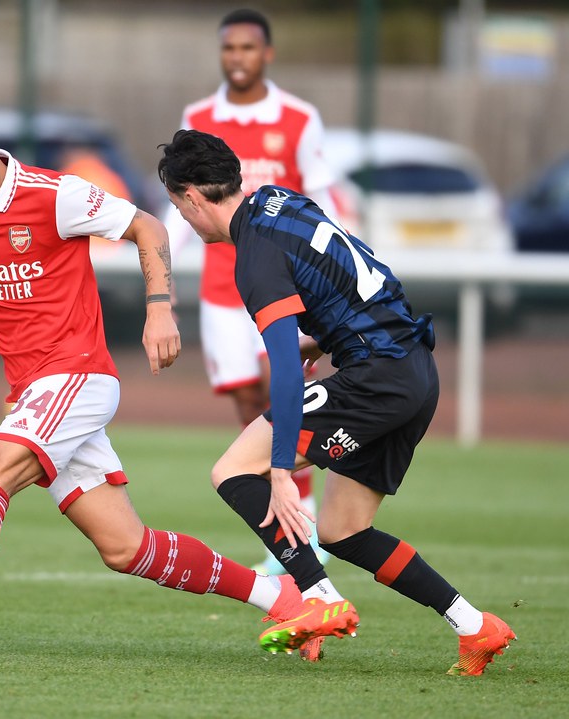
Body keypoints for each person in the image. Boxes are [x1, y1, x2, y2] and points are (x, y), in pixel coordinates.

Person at [0, 103, 324, 659]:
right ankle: (283, 596)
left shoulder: (54, 196)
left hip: (75, 374)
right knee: (126, 547)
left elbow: (149, 225)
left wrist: (160, 308)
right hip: (32, 389)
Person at [156, 128, 516, 676]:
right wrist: (322, 341)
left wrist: (280, 471)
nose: (183, 218)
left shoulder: (253, 258)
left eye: (179, 207)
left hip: (376, 376)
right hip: (415, 370)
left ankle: (317, 596)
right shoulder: (281, 199)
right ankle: (476, 627)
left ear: (191, 196)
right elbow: (362, 276)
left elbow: (280, 371)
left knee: (233, 471)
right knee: (342, 530)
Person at [164, 8, 339, 574]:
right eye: (228, 48)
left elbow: (323, 196)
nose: (236, 57)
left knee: (283, 388)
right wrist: (160, 276)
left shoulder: (297, 117)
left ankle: (302, 530)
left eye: (247, 47)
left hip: (282, 283)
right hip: (222, 289)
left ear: (267, 54)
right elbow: (184, 202)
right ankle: (286, 524)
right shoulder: (200, 116)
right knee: (248, 405)